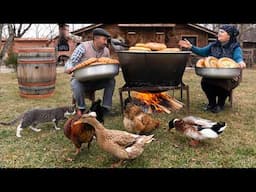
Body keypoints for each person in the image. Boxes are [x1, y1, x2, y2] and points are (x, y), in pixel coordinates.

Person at [179, 24, 246, 113]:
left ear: (229, 35)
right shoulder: (213, 45)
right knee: (205, 82)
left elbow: (238, 57)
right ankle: (212, 103)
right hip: (213, 73)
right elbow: (202, 52)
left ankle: (220, 104)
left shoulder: (235, 47)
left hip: (229, 76)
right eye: (219, 32)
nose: (219, 34)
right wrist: (191, 47)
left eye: (222, 32)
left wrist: (240, 62)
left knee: (223, 83)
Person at [64, 28, 116, 116]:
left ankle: (106, 108)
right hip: (83, 80)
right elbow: (71, 61)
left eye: (106, 40)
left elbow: (108, 65)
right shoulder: (83, 47)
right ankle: (81, 108)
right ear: (96, 39)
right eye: (104, 39)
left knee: (111, 81)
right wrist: (69, 68)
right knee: (75, 83)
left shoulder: (106, 50)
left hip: (98, 80)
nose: (106, 42)